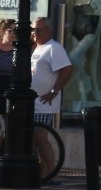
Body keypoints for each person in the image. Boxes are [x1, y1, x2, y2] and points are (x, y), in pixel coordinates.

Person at [30, 17, 74, 174]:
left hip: (44, 103)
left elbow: (67, 68)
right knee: (36, 140)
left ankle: (52, 174)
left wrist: (55, 91)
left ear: (48, 30)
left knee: (41, 139)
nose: (35, 33)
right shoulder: (37, 48)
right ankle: (44, 172)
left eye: (38, 29)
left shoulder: (53, 48)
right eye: (33, 29)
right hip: (33, 102)